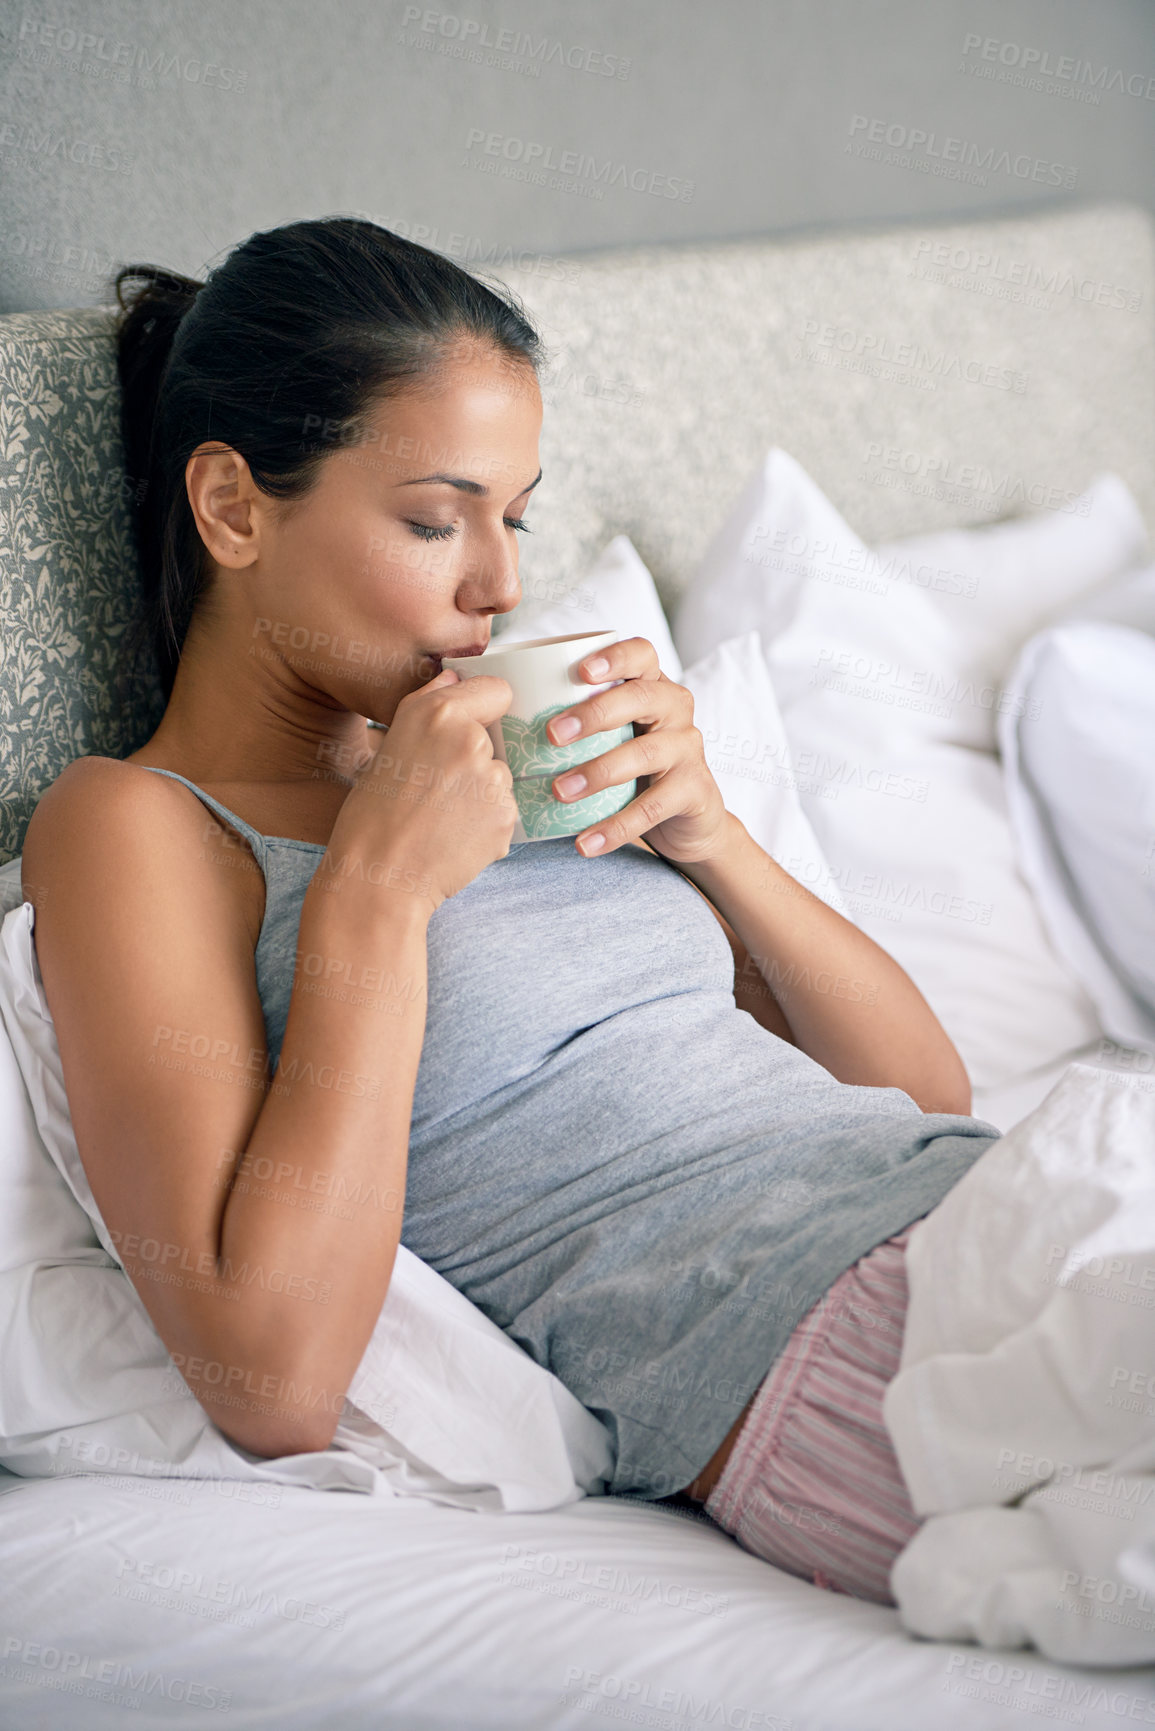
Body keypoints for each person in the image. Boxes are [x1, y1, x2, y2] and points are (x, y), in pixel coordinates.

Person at [21, 217, 1001, 1608]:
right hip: (803, 1335)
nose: (502, 585)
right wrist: (379, 888)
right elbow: (270, 1379)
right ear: (235, 507)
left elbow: (920, 1096)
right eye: (435, 520)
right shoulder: (140, 827)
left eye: (515, 514)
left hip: (975, 1200)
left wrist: (716, 841)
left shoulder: (515, 762)